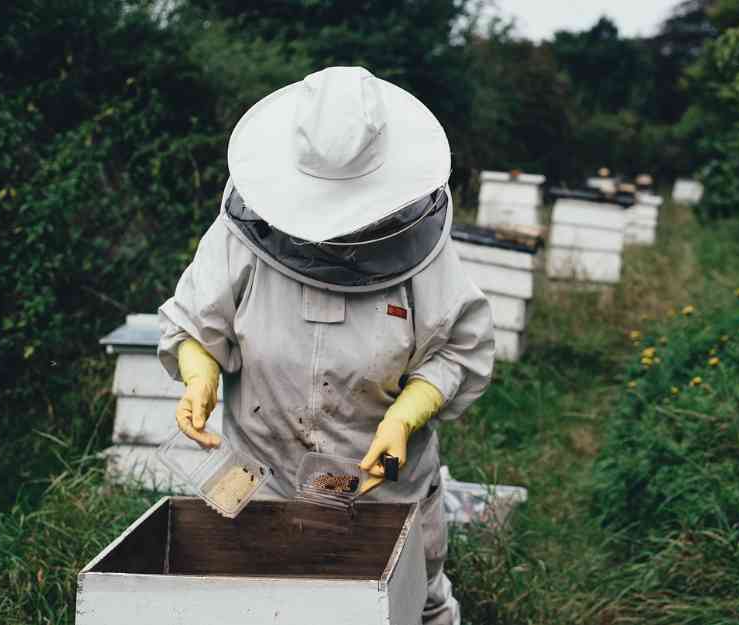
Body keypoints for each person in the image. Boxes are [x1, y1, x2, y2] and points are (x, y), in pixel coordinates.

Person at [156, 66, 495, 625]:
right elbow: (196, 322)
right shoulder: (239, 240)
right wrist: (200, 375)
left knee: (413, 605)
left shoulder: (425, 256)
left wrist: (405, 418)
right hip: (260, 482)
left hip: (382, 488)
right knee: (267, 606)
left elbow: (455, 350)